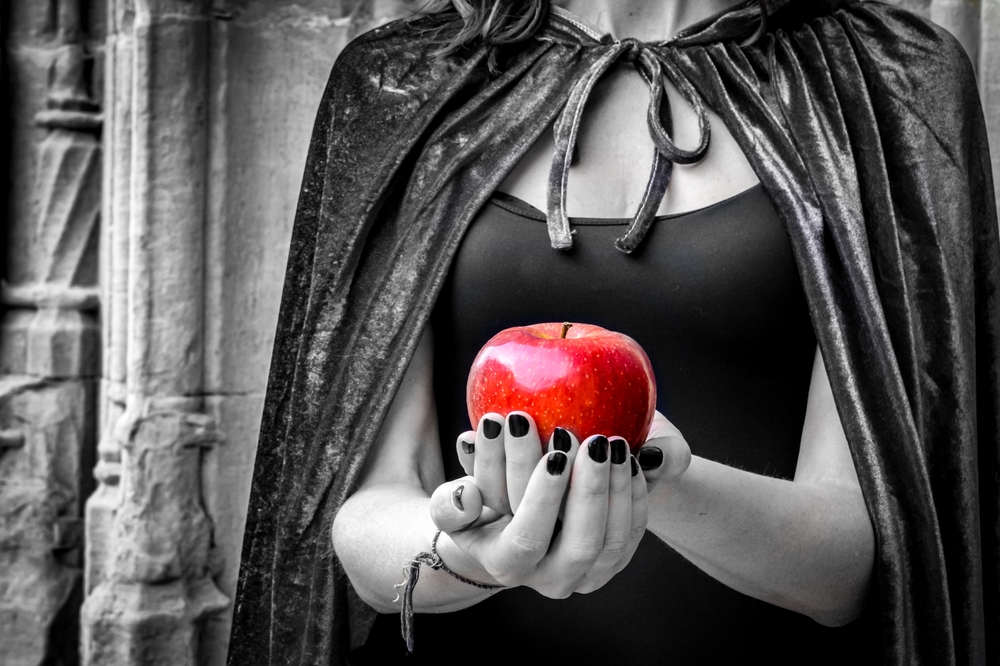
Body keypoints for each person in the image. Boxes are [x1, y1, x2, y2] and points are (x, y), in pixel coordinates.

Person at [228, 1, 999, 665]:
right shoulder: (402, 80)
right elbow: (362, 523)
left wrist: (654, 475)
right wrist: (481, 555)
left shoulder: (889, 79)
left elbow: (858, 568)